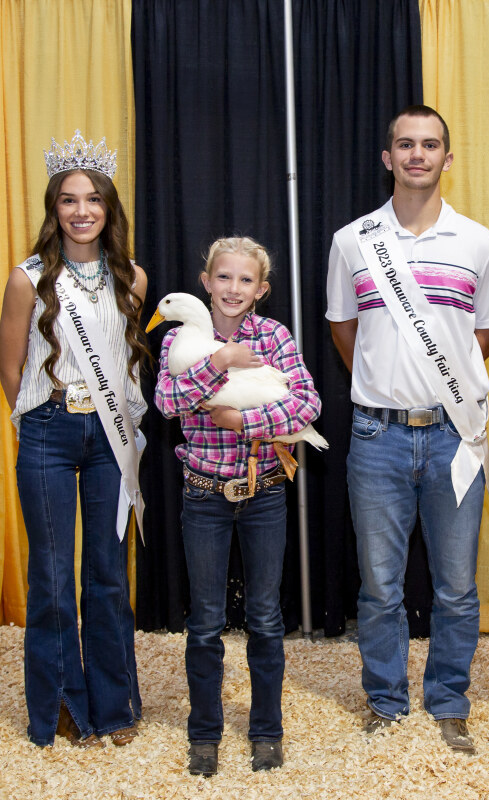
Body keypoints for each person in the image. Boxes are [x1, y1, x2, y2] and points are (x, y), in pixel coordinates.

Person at [326, 105, 489, 753]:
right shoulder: (353, 241)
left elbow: (486, 333)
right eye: (405, 144)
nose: (417, 155)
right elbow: (343, 329)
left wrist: (440, 386)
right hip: (376, 438)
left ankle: (449, 701)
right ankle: (385, 700)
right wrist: (387, 383)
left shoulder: (478, 243)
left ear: (446, 158)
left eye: (429, 145)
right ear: (388, 157)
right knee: (379, 587)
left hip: (454, 434)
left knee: (456, 586)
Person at [0, 131, 149, 748]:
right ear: (53, 208)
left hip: (112, 435)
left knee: (108, 574)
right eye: (69, 200)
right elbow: (10, 368)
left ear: (109, 208)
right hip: (48, 433)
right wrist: (42, 419)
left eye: (93, 199)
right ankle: (62, 703)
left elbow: (129, 362)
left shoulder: (132, 278)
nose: (81, 211)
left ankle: (114, 706)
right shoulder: (27, 279)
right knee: (53, 576)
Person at [153, 236, 321, 776]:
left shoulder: (273, 337)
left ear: (261, 289)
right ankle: (204, 733)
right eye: (223, 277)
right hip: (204, 494)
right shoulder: (179, 339)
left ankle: (266, 731)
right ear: (206, 283)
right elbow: (167, 402)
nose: (233, 288)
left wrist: (242, 421)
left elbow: (307, 404)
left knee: (265, 617)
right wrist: (220, 361)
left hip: (264, 493)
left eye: (245, 280)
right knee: (205, 621)